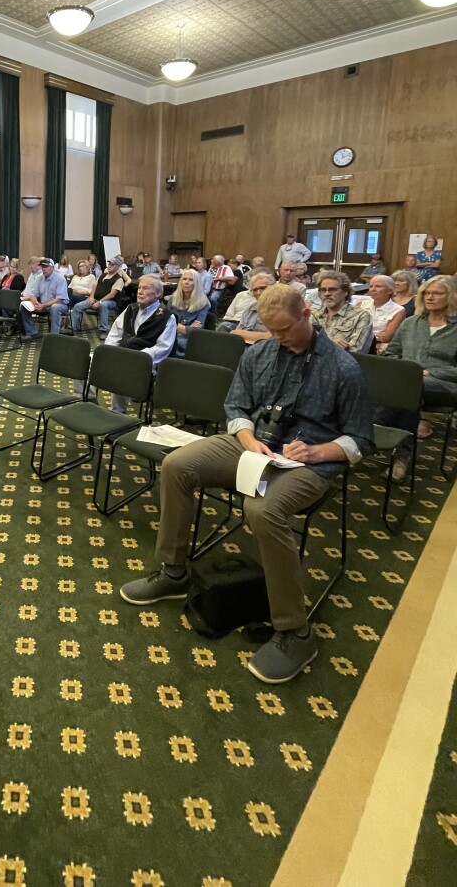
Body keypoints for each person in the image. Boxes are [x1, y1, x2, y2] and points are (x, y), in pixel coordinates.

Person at [119, 284, 374, 684]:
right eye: (272, 331)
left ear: (307, 313)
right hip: (254, 446)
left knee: (262, 508)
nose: (279, 338)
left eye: (286, 329)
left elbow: (361, 439)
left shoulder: (344, 368)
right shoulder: (259, 353)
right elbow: (236, 405)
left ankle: (295, 630)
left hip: (307, 463)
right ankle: (173, 572)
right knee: (177, 465)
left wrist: (319, 451)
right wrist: (247, 436)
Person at [382, 276, 457, 475]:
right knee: (403, 389)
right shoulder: (410, 323)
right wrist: (404, 370)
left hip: (445, 386)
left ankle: (381, 438)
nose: (430, 297)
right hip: (407, 385)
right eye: (426, 293)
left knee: (409, 388)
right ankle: (399, 453)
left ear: (451, 297)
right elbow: (392, 354)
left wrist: (430, 371)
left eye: (437, 293)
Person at [98, 276, 176, 412]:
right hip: (121, 354)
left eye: (145, 288)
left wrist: (139, 357)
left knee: (121, 371)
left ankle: (118, 413)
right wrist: (109, 352)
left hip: (143, 361)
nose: (140, 291)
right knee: (90, 360)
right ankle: (89, 401)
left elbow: (163, 348)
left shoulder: (166, 316)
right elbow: (115, 333)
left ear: (158, 294)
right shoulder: (131, 308)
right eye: (139, 288)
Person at [310, 271, 373, 353]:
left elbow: (357, 351)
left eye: (332, 290)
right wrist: (333, 345)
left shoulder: (361, 316)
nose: (327, 293)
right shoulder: (314, 315)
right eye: (323, 290)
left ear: (346, 292)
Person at [70, 257, 127, 334]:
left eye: (112, 265)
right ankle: (71, 327)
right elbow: (94, 286)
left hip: (110, 301)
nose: (109, 266)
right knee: (78, 306)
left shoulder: (119, 279)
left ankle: (103, 330)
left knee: (103, 305)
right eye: (109, 264)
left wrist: (99, 302)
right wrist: (91, 297)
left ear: (118, 267)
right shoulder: (103, 275)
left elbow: (112, 295)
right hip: (96, 299)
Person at [20, 257, 69, 339]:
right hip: (43, 304)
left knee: (55, 307)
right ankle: (31, 332)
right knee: (24, 305)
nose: (43, 269)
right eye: (42, 267)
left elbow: (59, 299)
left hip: (60, 305)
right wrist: (36, 303)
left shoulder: (60, 279)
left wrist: (44, 305)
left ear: (52, 268)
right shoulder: (39, 278)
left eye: (46, 267)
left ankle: (54, 336)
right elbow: (33, 295)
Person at [167, 268, 210, 357]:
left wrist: (174, 325)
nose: (186, 282)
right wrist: (187, 328)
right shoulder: (172, 299)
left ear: (196, 283)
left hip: (188, 340)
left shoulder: (203, 303)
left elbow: (196, 331)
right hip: (170, 334)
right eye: (184, 279)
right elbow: (165, 322)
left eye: (191, 280)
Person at [230, 269, 276, 343]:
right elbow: (235, 335)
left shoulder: (281, 309)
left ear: (273, 288)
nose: (258, 292)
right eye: (254, 290)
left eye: (262, 288)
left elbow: (271, 337)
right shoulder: (250, 309)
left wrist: (242, 334)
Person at [366, 274, 405, 353]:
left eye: (378, 286)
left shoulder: (398, 310)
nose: (373, 289)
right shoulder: (361, 304)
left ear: (390, 290)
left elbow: (386, 338)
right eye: (371, 286)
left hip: (377, 347)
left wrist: (362, 336)